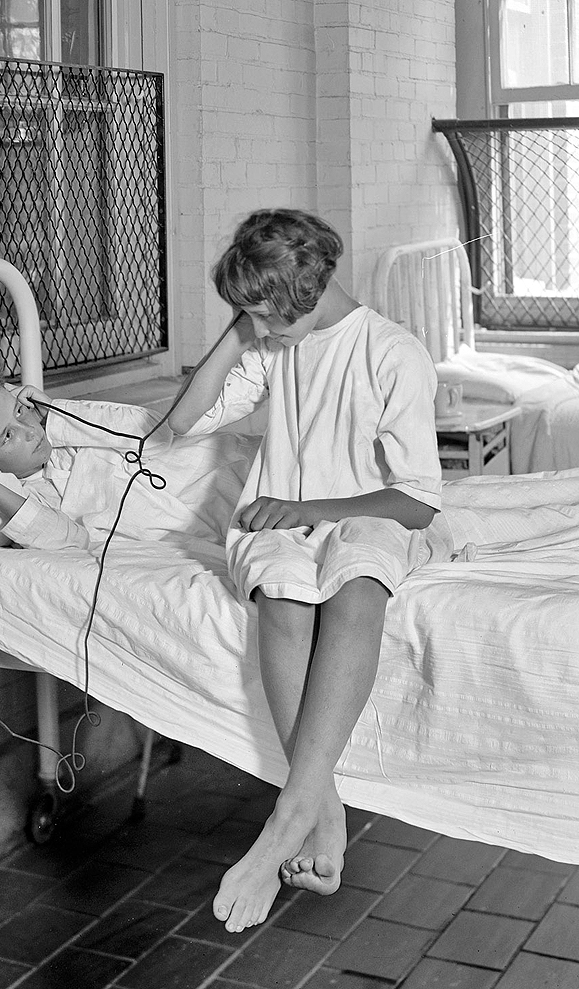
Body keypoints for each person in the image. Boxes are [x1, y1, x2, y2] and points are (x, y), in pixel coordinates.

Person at [166, 208, 454, 934]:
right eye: (248, 317)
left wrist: (305, 503)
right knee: (284, 594)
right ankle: (322, 810)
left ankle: (286, 816)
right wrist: (241, 329)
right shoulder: (272, 343)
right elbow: (182, 420)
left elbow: (417, 501)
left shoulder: (391, 352)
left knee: (356, 583)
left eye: (265, 314)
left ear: (306, 292)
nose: (258, 329)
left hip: (368, 512)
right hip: (279, 516)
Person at [0, 360, 256, 553]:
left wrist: (54, 411)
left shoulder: (61, 430)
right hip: (236, 510)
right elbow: (68, 538)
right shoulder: (31, 496)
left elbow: (148, 429)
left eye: (19, 410)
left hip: (247, 462)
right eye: (7, 436)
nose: (29, 430)